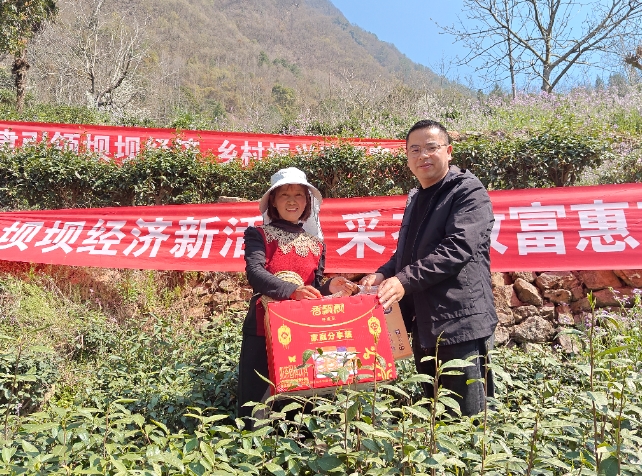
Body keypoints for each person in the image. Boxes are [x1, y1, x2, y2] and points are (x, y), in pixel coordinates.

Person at [360, 119, 497, 417]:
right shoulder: (417, 197)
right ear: (407, 157)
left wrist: (403, 281)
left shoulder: (468, 192)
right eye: (415, 149)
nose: (423, 155)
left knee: (468, 419)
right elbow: (408, 254)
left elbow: (457, 249)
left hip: (459, 325)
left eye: (431, 147)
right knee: (437, 416)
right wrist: (383, 273)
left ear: (448, 151)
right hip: (425, 326)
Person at [237, 167, 357, 428]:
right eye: (284, 195)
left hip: (303, 331)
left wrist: (330, 287)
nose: (292, 201)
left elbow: (313, 287)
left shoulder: (317, 244)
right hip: (262, 329)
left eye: (299, 195)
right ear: (272, 201)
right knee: (256, 404)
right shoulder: (258, 235)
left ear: (307, 202)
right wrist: (292, 291)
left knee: (301, 401)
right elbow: (256, 273)